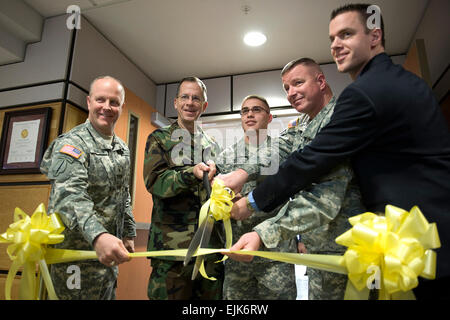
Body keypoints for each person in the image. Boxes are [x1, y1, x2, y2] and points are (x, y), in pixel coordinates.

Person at [221, 3, 450, 300]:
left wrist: (254, 208)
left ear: (374, 36)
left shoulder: (361, 96)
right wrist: (241, 173)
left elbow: (314, 170)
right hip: (388, 242)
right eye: (331, 39)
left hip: (416, 242)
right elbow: (283, 146)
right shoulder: (389, 84)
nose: (336, 45)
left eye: (346, 34)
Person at [225, 59, 365, 300]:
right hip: (320, 248)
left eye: (297, 83)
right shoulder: (304, 123)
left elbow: (322, 200)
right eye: (286, 88)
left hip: (347, 251)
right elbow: (279, 148)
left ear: (320, 81)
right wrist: (242, 173)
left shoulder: (339, 121)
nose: (291, 93)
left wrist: (261, 232)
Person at [40, 76, 136, 299]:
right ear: (89, 102)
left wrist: (128, 232)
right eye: (100, 100)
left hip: (106, 259)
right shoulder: (71, 144)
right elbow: (70, 196)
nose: (106, 107)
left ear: (122, 106)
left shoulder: (121, 148)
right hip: (76, 258)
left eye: (114, 102)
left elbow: (123, 193)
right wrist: (99, 236)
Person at [143, 76, 223, 300]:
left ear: (204, 106)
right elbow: (155, 182)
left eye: (196, 98)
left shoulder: (213, 146)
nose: (190, 103)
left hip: (209, 249)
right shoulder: (159, 139)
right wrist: (191, 174)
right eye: (185, 97)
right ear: (175, 103)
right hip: (172, 250)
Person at [215, 95, 298, 300]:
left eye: (257, 110)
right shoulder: (225, 156)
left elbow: (295, 195)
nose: (250, 114)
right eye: (245, 111)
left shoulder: (283, 151)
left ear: (269, 118)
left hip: (275, 253)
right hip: (238, 255)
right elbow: (217, 199)